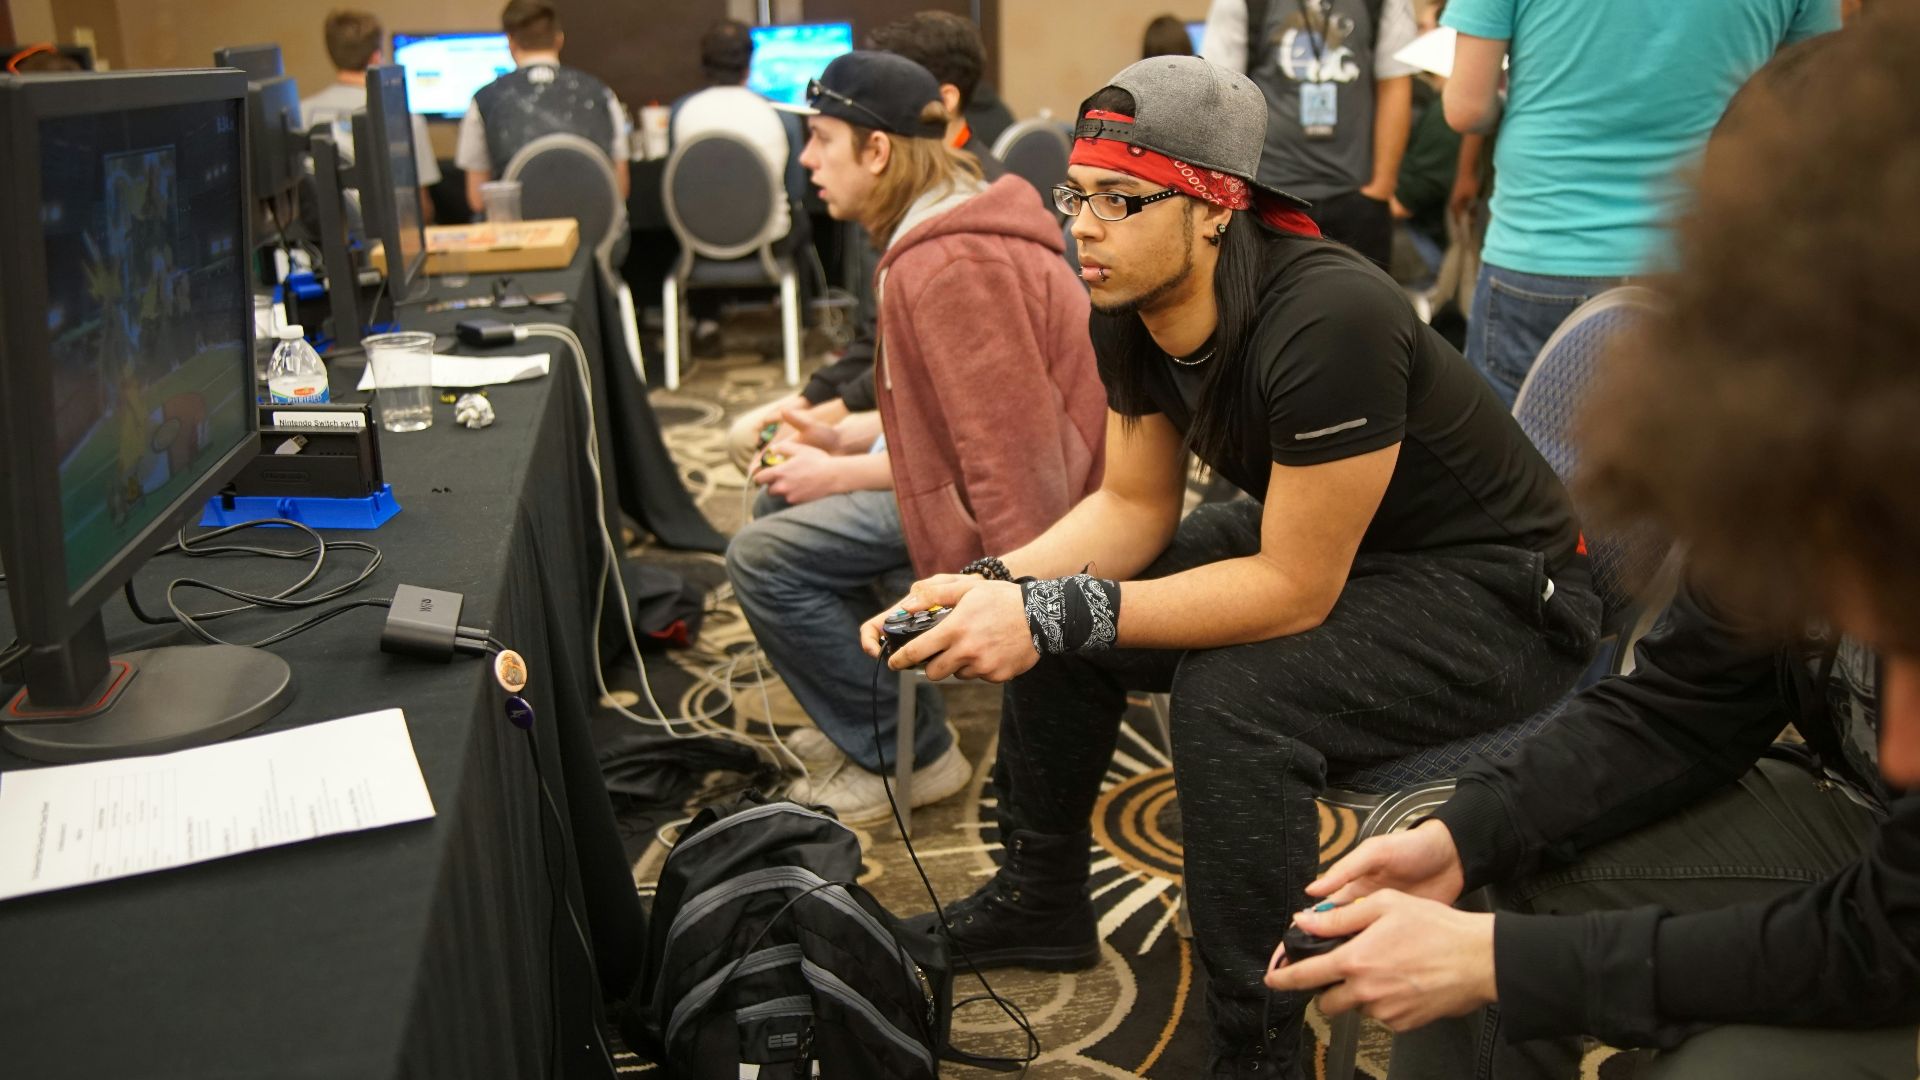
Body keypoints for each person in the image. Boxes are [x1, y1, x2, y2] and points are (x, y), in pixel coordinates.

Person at [868, 56, 1599, 1077]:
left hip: (1508, 601)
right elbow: (1130, 509)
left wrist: (1053, 615)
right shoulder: (1125, 303)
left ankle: (1257, 1043)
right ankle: (1042, 900)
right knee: (1066, 603)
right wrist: (997, 585)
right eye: (1078, 195)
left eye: (1123, 201)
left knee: (1228, 692)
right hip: (1355, 554)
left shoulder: (1328, 317)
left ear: (1216, 211)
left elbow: (1292, 591)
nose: (1085, 225)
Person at [1269, 17, 1920, 1078]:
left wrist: (1525, 968)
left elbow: (1888, 938)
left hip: (1892, 911)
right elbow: (1690, 698)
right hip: (1848, 830)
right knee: (1476, 878)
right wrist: (1469, 832)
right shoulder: (1810, 426)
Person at [725, 52, 1107, 826]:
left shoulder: (949, 261)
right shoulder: (940, 230)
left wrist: (1014, 607)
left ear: (878, 150)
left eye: (822, 140)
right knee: (778, 519)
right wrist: (840, 441)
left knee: (763, 558)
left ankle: (918, 756)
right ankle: (874, 724)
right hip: (1042, 487)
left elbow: (1011, 464)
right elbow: (946, 420)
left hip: (1062, 514)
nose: (806, 161)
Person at [1440, 0, 1839, 405]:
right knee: (1685, 457)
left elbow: (1466, 109)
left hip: (1545, 247)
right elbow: (1812, 98)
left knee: (1519, 460)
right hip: (1704, 258)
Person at [722, 9, 1019, 475]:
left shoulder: (961, 218)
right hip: (898, 398)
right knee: (755, 443)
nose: (808, 157)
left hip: (947, 438)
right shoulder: (923, 199)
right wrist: (815, 402)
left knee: (765, 512)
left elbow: (965, 418)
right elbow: (885, 342)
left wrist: (834, 434)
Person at [1199, 0, 1421, 269]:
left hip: (1356, 199)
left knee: (1363, 305)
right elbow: (1221, 92)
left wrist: (1381, 188)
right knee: (1267, 306)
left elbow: (1395, 83)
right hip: (1269, 198)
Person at [456, 0, 630, 218]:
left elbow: (477, 199)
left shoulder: (484, 100)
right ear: (559, 40)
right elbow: (619, 188)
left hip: (521, 243)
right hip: (592, 240)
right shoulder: (601, 93)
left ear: (511, 43)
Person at [299, 9, 443, 224]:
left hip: (317, 242)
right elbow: (420, 209)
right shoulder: (403, 116)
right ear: (376, 56)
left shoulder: (299, 112)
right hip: (384, 246)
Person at [671, 20, 793, 242]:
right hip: (770, 243)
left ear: (705, 64)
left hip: (699, 243)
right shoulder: (780, 116)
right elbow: (796, 190)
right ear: (749, 63)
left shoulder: (681, 112)